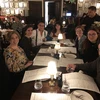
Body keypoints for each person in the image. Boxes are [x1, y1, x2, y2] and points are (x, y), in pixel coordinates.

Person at [3, 30, 33, 97]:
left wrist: (29, 62)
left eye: (16, 37)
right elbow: (12, 69)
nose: (15, 40)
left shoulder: (19, 48)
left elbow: (25, 59)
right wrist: (26, 66)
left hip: (25, 71)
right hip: (17, 76)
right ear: (9, 40)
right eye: (12, 38)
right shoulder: (8, 51)